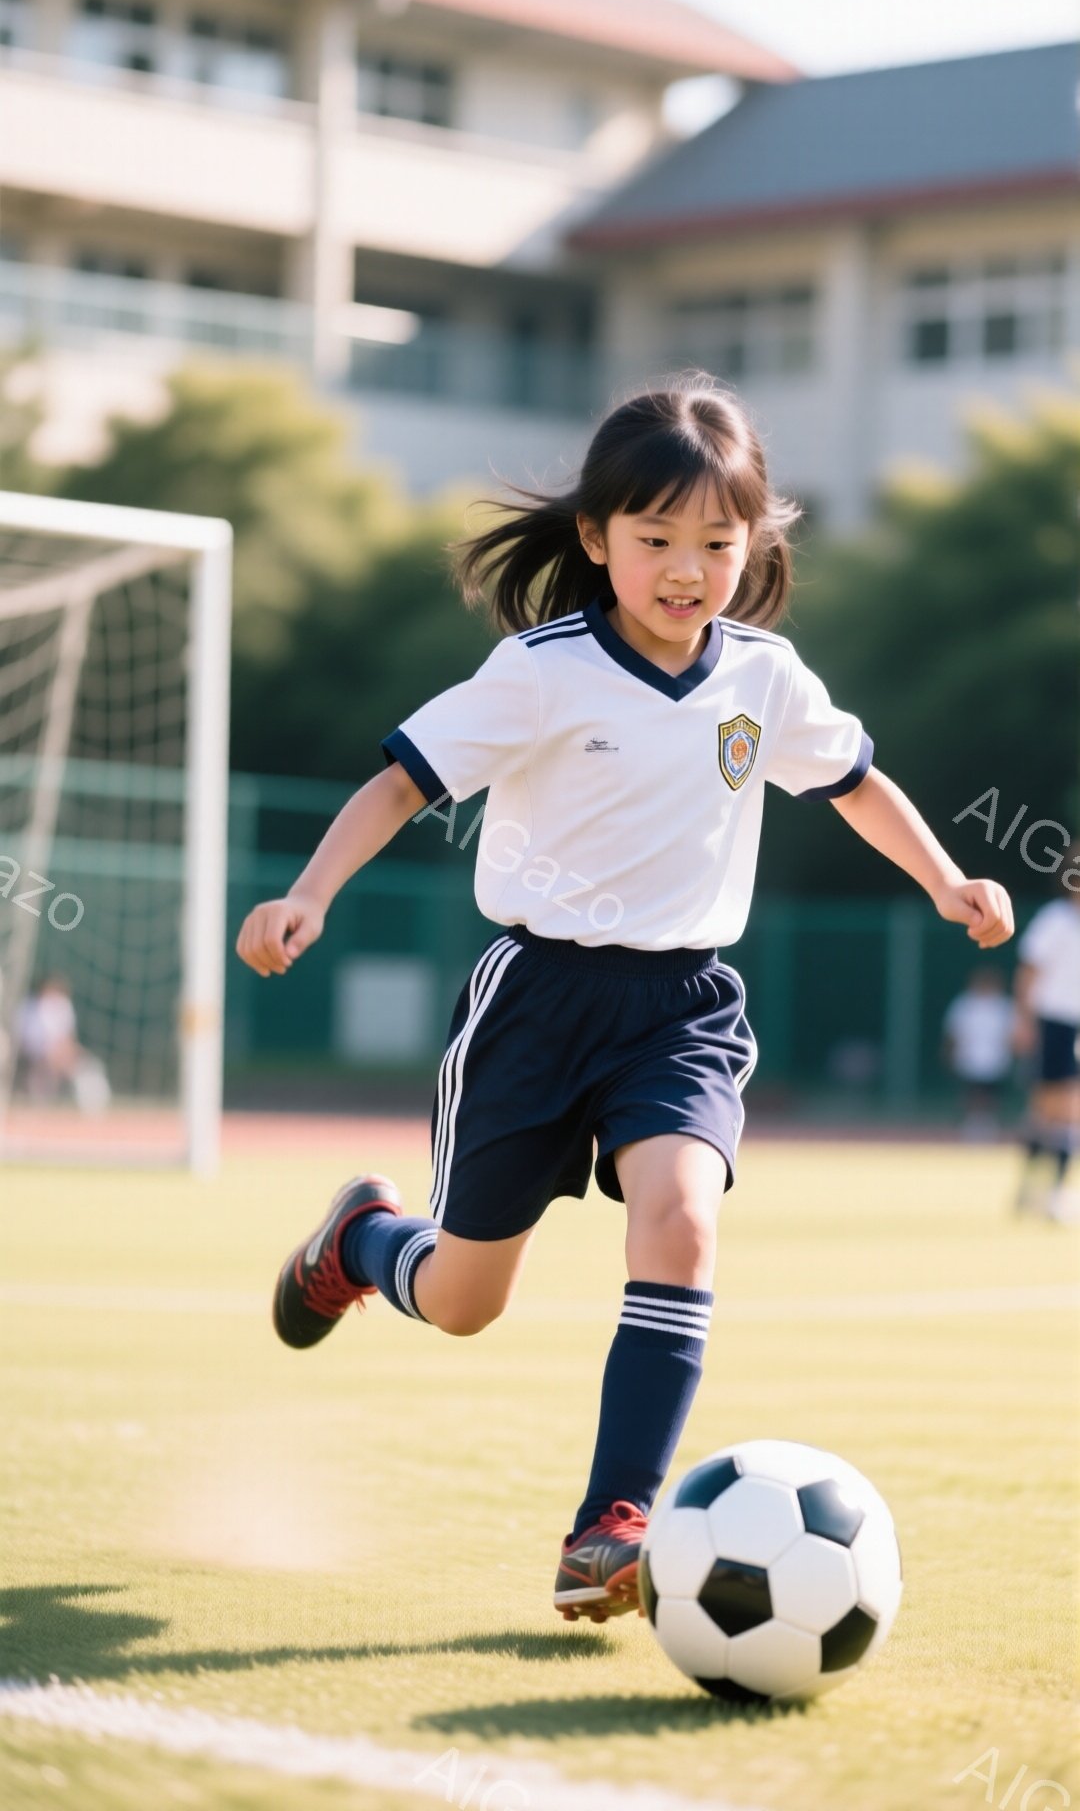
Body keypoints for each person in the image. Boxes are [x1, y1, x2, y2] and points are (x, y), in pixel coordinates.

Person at [235, 378, 1014, 1623]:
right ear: (596, 539)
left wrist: (946, 877)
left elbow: (855, 781)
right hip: (535, 1000)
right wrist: (309, 895)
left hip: (686, 1007)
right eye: (656, 540)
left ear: (755, 543)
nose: (689, 569)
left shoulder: (765, 676)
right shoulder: (540, 672)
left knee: (683, 1220)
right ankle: (360, 1243)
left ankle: (612, 1524)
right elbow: (399, 782)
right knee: (464, 1302)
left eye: (718, 542)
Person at [1011, 847, 1080, 1222]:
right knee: (1063, 1108)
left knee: (1049, 1111)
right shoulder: (1056, 920)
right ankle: (1052, 1194)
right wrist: (1022, 1021)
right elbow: (1029, 972)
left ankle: (1030, 1190)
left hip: (1073, 1023)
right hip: (1054, 1021)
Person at [15, 972, 111, 1112]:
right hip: (35, 1050)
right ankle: (41, 1102)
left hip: (59, 1050)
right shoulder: (30, 1007)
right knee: (49, 1065)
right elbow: (29, 1038)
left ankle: (93, 1104)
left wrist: (70, 1051)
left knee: (88, 1064)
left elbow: (67, 1037)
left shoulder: (63, 1005)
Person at [941, 967, 1017, 1139]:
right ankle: (971, 1123)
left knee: (991, 1093)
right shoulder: (964, 1004)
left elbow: (1012, 1034)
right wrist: (951, 1052)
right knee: (972, 1092)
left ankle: (989, 1123)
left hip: (995, 1058)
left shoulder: (1004, 1006)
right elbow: (953, 1032)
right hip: (969, 1057)